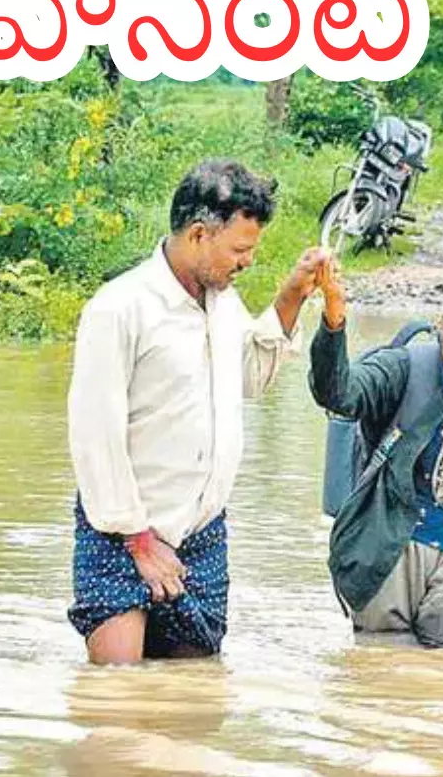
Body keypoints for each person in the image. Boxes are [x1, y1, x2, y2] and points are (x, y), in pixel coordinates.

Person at [66, 159, 329, 665]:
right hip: (122, 532)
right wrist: (139, 541)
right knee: (114, 694)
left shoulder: (220, 303)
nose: (247, 262)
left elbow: (249, 378)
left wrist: (293, 294)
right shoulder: (120, 308)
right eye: (240, 249)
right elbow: (94, 435)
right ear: (198, 234)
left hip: (202, 532)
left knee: (193, 697)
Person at [309, 269, 443, 649]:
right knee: (384, 667)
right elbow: (339, 395)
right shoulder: (403, 369)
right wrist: (333, 318)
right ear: (442, 326)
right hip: (391, 549)